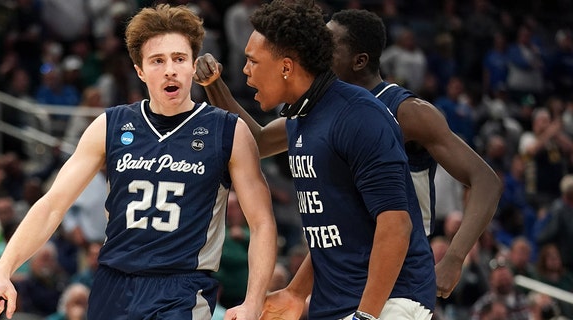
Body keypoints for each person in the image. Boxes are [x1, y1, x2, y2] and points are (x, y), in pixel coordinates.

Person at [0, 4, 277, 320]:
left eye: (179, 59)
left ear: (193, 65)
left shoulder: (229, 130)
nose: (170, 70)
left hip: (181, 290)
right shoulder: (110, 125)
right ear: (139, 70)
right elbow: (53, 204)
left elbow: (261, 222)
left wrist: (254, 301)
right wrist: (3, 268)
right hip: (113, 286)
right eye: (157, 61)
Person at [194, 7, 501, 300]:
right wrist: (214, 85)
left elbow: (485, 180)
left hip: (400, 266)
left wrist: (454, 258)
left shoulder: (407, 111)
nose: (320, 51)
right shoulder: (319, 108)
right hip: (348, 266)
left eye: (331, 46)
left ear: (359, 60)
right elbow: (258, 142)